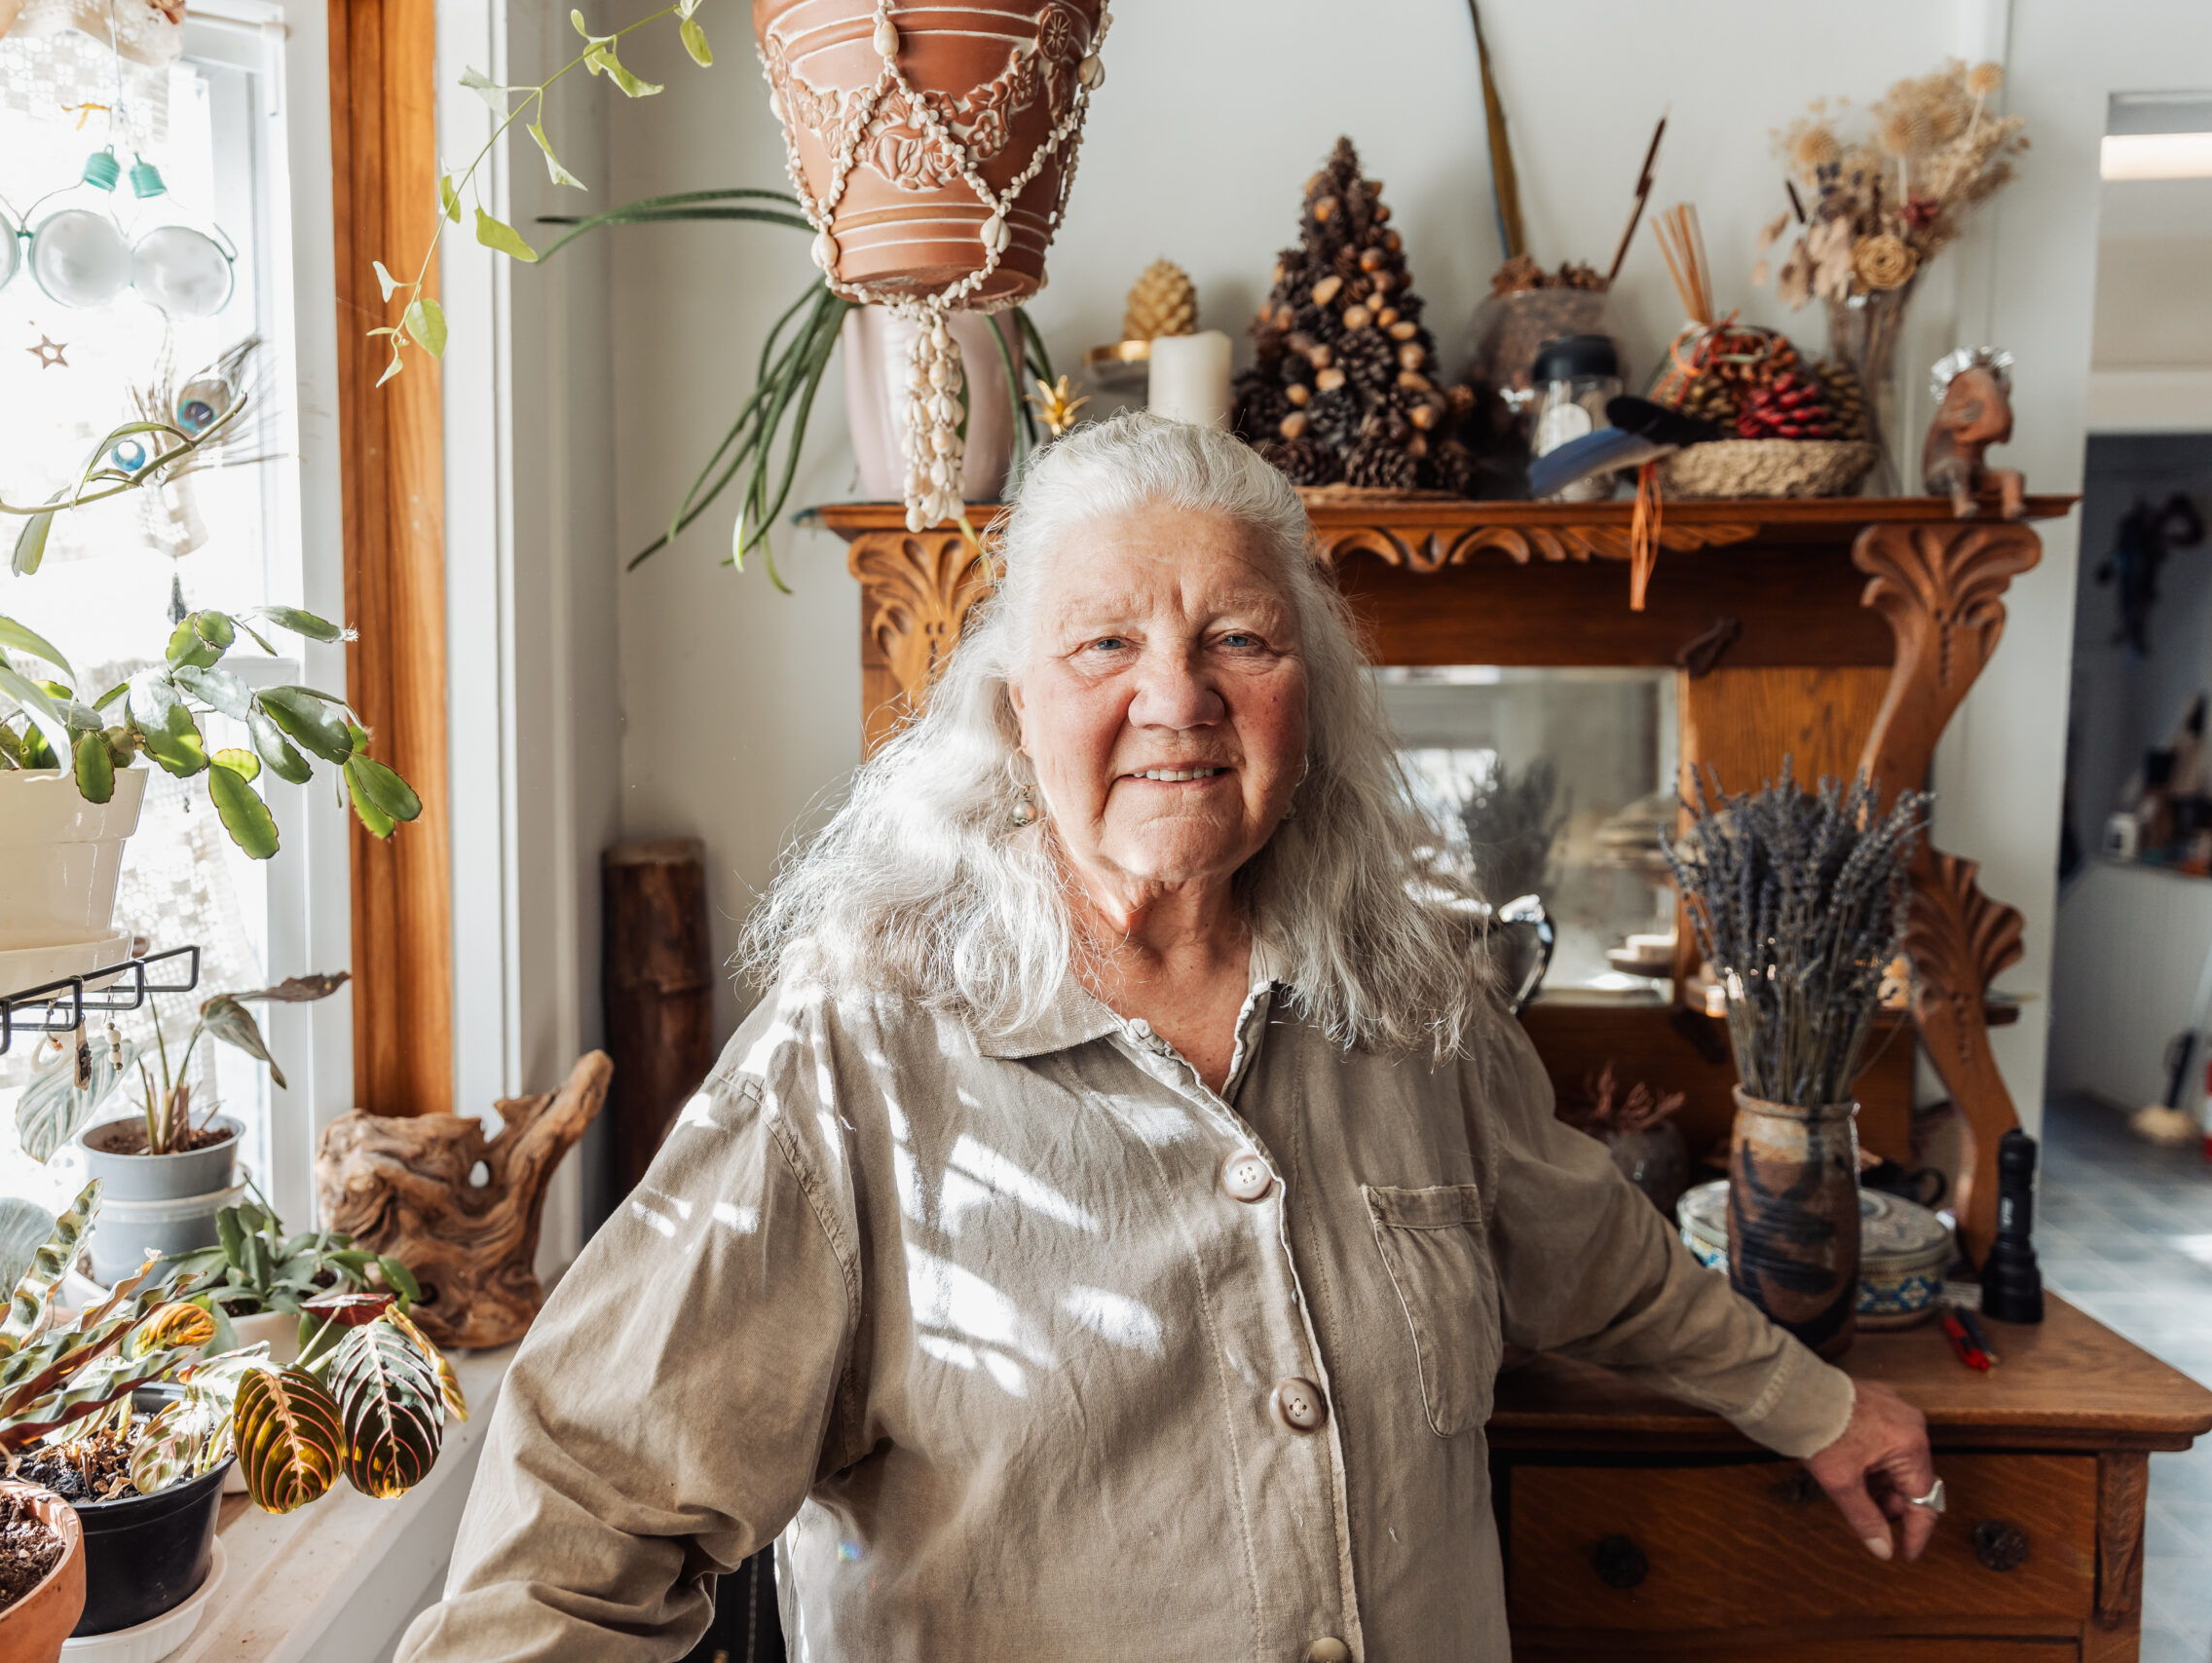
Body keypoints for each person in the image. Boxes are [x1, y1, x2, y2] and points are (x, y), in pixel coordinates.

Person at [398, 412, 1937, 1663]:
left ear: (1308, 697)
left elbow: (1584, 1251)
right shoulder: (855, 1050)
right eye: (1104, 647)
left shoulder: (1405, 995)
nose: (1176, 699)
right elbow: (590, 1502)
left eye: (1240, 639)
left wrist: (1810, 1403)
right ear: (1013, 708)